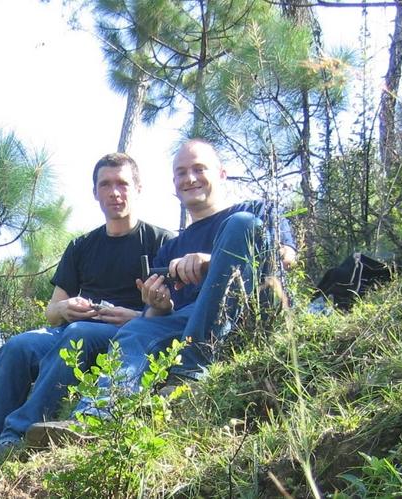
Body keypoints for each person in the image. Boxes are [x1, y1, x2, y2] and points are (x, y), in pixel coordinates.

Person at [30, 138, 296, 432]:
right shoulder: (172, 248)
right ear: (174, 183)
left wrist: (214, 261)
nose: (190, 178)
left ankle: (192, 367)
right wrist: (158, 304)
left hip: (249, 311)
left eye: (199, 168)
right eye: (181, 172)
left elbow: (286, 258)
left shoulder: (256, 209)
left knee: (241, 224)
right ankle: (93, 419)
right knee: (136, 329)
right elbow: (158, 319)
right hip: (188, 324)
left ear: (221, 174)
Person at [0, 152, 174, 465]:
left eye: (122, 183)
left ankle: (17, 433)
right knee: (18, 346)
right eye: (105, 185)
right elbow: (51, 312)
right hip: (73, 328)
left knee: (79, 333)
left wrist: (135, 317)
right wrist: (67, 307)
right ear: (95, 193)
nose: (114, 192)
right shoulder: (81, 245)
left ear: (137, 188)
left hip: (128, 335)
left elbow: (171, 312)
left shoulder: (162, 241)